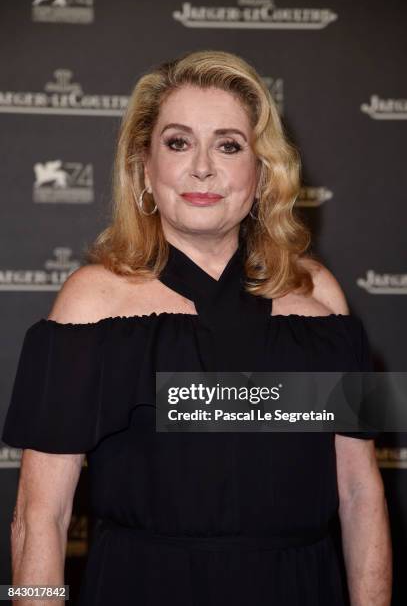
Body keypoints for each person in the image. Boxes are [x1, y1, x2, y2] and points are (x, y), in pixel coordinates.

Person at [2, 50, 392, 606]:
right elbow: (38, 516)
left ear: (261, 173)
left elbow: (358, 494)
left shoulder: (320, 297)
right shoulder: (91, 304)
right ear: (143, 167)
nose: (203, 167)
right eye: (179, 142)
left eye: (229, 145)